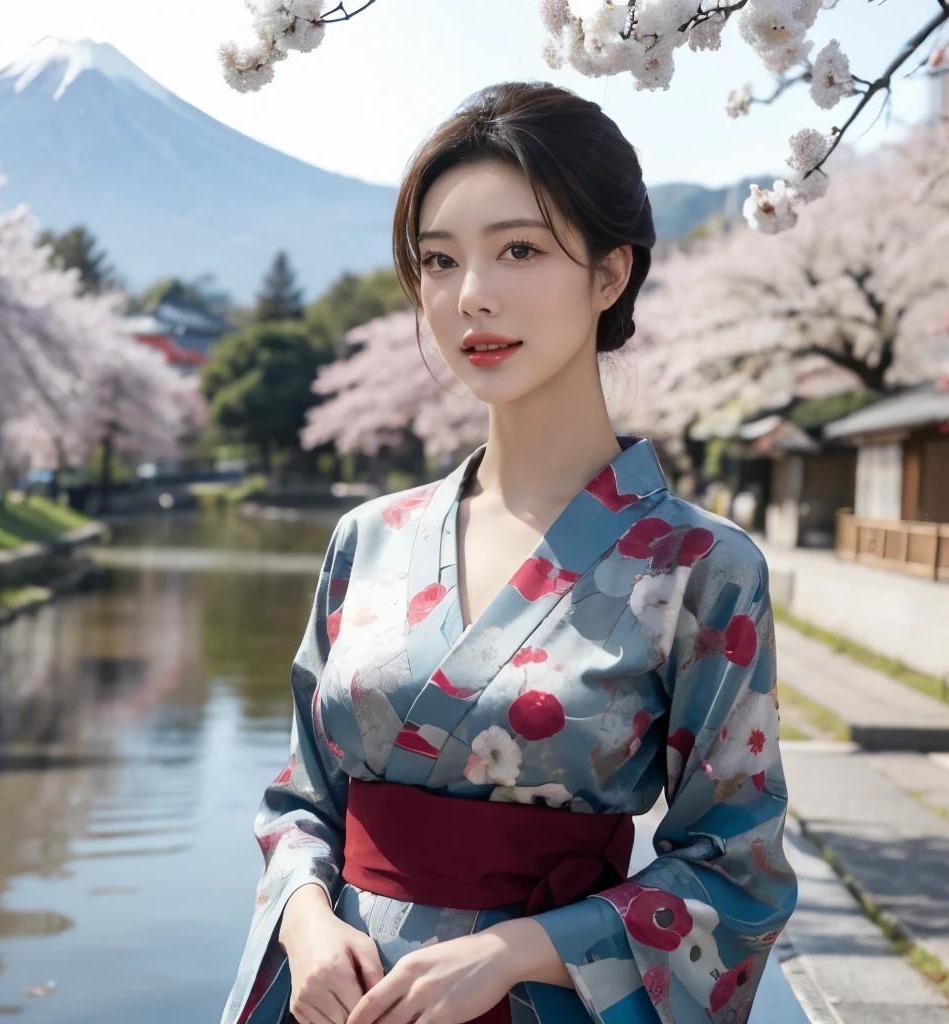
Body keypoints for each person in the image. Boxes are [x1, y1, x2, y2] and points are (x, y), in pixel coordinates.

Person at [219, 82, 794, 1024]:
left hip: (540, 1002)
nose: (469, 295)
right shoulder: (369, 538)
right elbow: (300, 797)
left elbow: (740, 872)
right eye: (438, 260)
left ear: (611, 274)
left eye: (519, 249)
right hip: (335, 1002)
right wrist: (306, 916)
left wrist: (515, 951)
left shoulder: (701, 566)